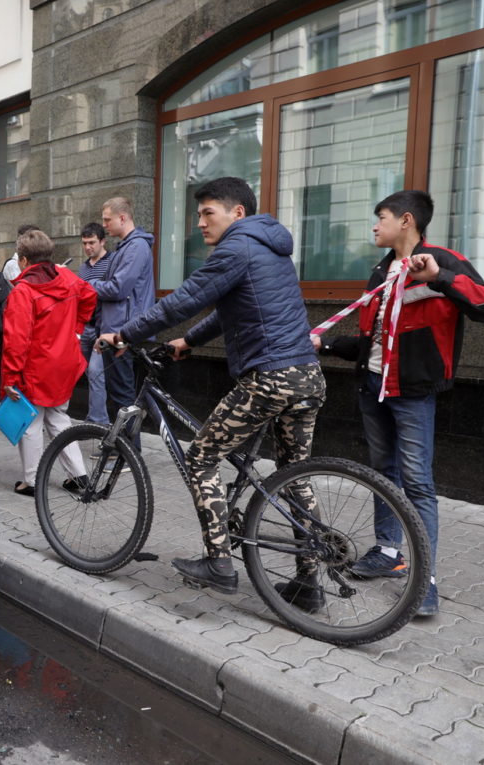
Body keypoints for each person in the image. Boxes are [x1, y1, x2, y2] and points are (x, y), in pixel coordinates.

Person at [99, 177, 325, 602]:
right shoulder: (267, 247)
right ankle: (309, 583)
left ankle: (218, 561)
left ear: (237, 213)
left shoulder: (236, 248)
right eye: (198, 213)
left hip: (270, 378)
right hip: (306, 375)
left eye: (208, 213)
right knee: (294, 477)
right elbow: (228, 310)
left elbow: (183, 300)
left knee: (201, 456)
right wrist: (188, 342)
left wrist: (125, 334)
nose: (199, 222)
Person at [317, 190, 484, 617]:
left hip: (413, 393)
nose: (374, 225)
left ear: (406, 220)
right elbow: (374, 341)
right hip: (373, 386)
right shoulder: (380, 271)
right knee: (384, 474)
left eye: (379, 217)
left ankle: (426, 578)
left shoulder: (442, 261)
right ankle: (388, 552)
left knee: (418, 483)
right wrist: (325, 342)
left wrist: (440, 277)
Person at [1, 229, 98, 497]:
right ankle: (79, 478)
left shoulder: (23, 291)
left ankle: (32, 481)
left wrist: (9, 379)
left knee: (31, 424)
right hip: (65, 362)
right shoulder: (66, 276)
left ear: (22, 260)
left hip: (36, 367)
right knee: (58, 419)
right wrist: (76, 330)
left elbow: (16, 341)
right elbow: (90, 296)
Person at [87, 198, 155, 437]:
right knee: (121, 397)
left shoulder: (135, 247)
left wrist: (88, 284)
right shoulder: (127, 247)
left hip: (122, 333)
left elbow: (118, 289)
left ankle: (128, 455)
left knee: (123, 398)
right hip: (118, 330)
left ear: (123, 217)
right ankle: (125, 453)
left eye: (107, 219)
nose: (104, 224)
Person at [76, 222, 113, 425]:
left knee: (96, 373)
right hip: (85, 328)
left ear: (102, 241)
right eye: (84, 243)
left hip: (103, 328)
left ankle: (99, 424)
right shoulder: (83, 267)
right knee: (78, 370)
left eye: (91, 243)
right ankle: (93, 419)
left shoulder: (112, 262)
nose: (88, 247)